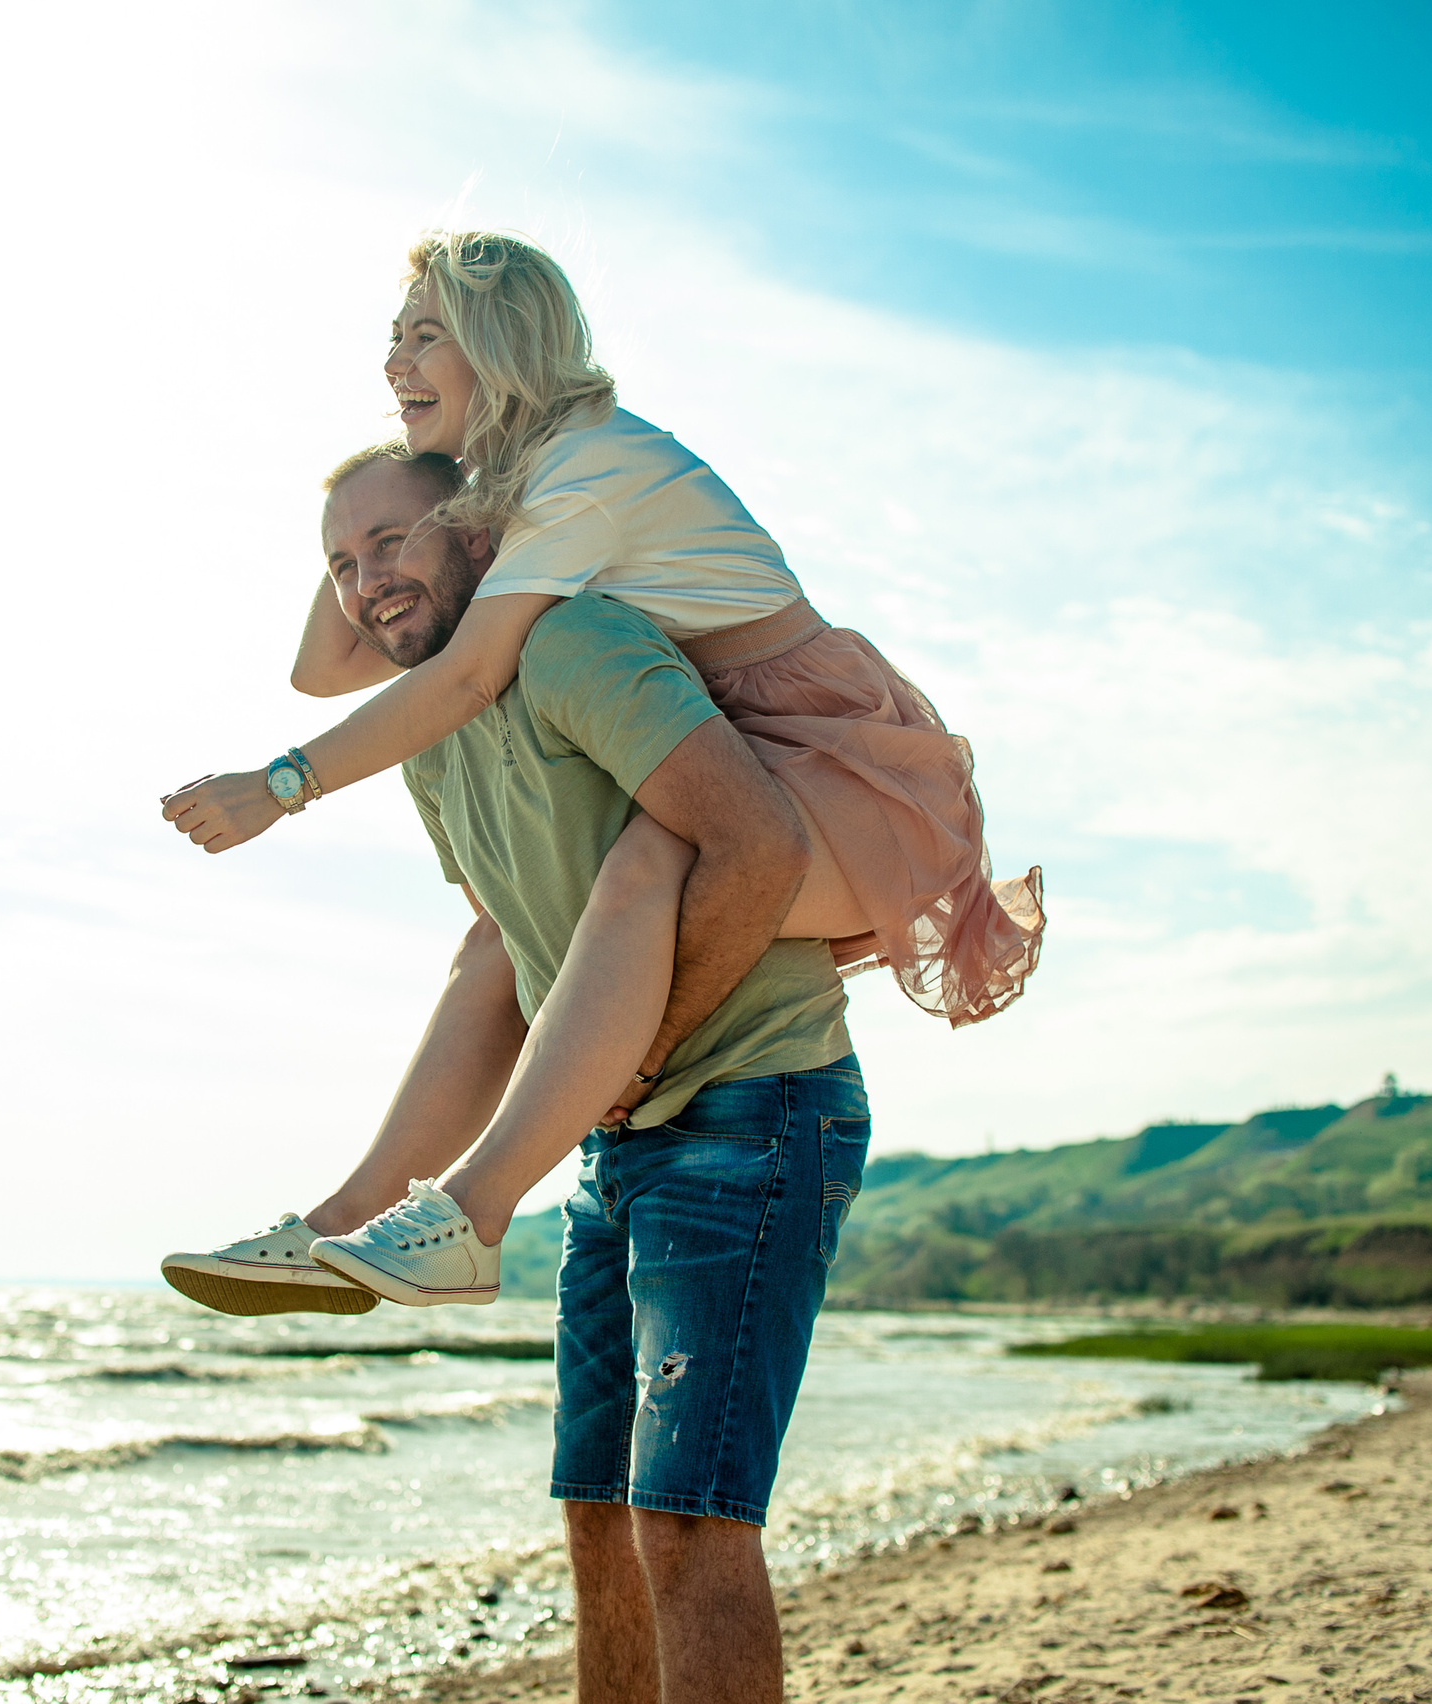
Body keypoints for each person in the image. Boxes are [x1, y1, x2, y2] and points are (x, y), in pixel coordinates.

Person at [161, 231, 1039, 1309]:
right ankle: (344, 1223)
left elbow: (470, 674)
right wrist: (360, 517)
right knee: (495, 946)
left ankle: (473, 1216)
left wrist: (281, 786)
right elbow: (324, 664)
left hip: (829, 748)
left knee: (639, 871)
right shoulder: (518, 480)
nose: (393, 363)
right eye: (390, 342)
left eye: (425, 337)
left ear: (503, 341)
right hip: (739, 736)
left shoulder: (586, 470)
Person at [188, 445, 865, 1703]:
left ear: (480, 529)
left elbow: (757, 846)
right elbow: (502, 952)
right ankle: (362, 1217)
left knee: (688, 1522)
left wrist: (646, 1054)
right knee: (599, 1514)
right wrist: (376, 1190)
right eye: (339, 565)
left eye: (391, 541)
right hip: (616, 1138)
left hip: (750, 1106)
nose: (364, 581)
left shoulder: (578, 644)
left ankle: (454, 1211)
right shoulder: (434, 732)